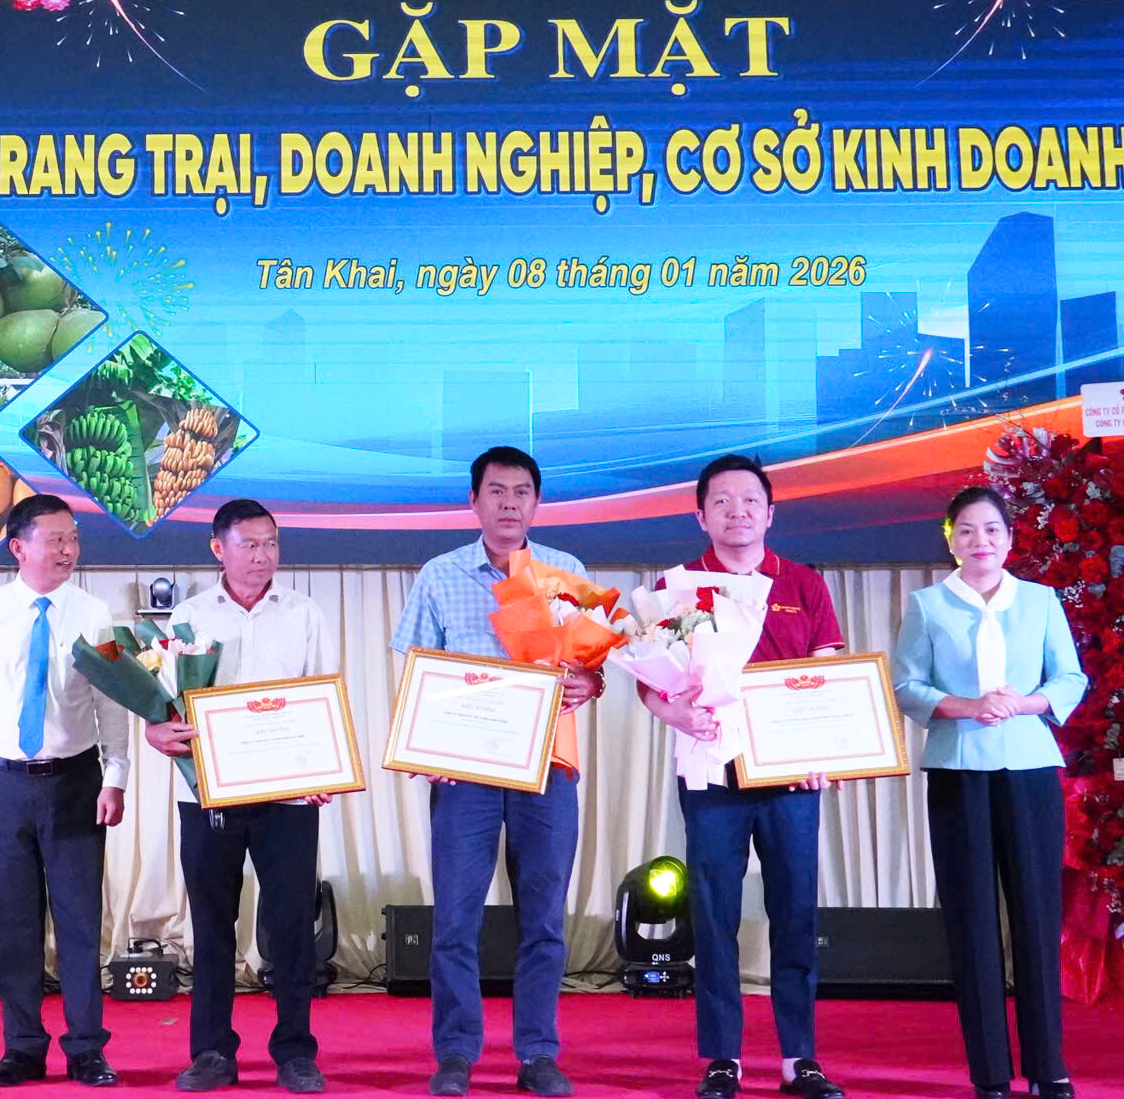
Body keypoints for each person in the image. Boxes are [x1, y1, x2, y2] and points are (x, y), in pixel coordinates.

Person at [390, 445, 603, 1098]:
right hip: (465, 773)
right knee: (455, 920)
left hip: (547, 766)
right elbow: (416, 672)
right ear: (474, 501)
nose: (509, 504)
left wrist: (590, 683)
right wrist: (426, 752)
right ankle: (456, 1053)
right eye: (497, 492)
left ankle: (537, 1053)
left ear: (537, 503)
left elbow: (589, 669)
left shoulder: (566, 572)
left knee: (544, 919)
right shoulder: (439, 574)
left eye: (521, 493)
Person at [634, 455, 848, 1099]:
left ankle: (799, 1057)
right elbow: (650, 682)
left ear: (770, 513)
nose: (738, 512)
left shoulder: (804, 583)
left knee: (795, 910)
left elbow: (828, 675)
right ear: (700, 515)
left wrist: (825, 752)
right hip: (711, 773)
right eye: (722, 502)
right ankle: (722, 1056)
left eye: (751, 500)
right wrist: (675, 714)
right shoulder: (675, 587)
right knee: (714, 912)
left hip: (789, 776)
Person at [890, 485, 1088, 1099]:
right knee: (971, 920)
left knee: (1036, 915)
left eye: (992, 530)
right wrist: (967, 706)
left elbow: (1070, 676)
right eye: (968, 531)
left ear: (1010, 538)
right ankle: (991, 1073)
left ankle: (1048, 1065)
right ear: (950, 540)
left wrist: (1023, 704)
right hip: (958, 771)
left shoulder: (1040, 600)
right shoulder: (927, 605)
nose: (981, 541)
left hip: (1030, 767)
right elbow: (906, 686)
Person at [145, 499, 334, 1095]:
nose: (262, 556)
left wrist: (325, 764)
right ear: (217, 548)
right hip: (209, 794)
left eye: (271, 543)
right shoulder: (190, 615)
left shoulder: (304, 613)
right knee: (211, 925)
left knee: (292, 926)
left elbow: (323, 694)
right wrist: (156, 730)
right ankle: (211, 1052)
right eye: (249, 544)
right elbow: (167, 701)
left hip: (290, 795)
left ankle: (295, 1052)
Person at [0, 494, 131, 1088]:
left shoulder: (94, 614)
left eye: (73, 538)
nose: (68, 549)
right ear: (18, 546)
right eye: (55, 539)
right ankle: (22, 1047)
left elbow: (112, 702)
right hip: (2, 784)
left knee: (80, 922)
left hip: (76, 782)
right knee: (14, 923)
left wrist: (116, 777)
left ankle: (86, 1048)